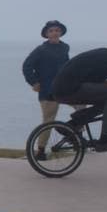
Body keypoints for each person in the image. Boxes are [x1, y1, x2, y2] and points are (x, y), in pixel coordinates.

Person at [22, 20, 71, 160]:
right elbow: (26, 66)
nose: (55, 33)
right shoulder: (41, 49)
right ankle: (41, 151)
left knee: (82, 107)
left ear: (61, 32)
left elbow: (68, 65)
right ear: (46, 34)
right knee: (48, 121)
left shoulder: (65, 47)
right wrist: (34, 82)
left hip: (65, 88)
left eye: (57, 30)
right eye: (51, 31)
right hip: (47, 90)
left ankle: (74, 136)